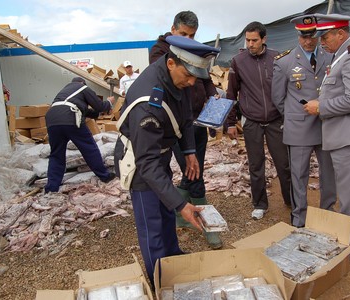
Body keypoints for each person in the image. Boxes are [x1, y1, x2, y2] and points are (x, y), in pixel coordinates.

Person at [116, 35, 220, 285]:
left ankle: (173, 257)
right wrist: (181, 205)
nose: (193, 82)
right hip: (141, 164)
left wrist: (189, 152)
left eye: (197, 76)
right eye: (189, 75)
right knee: (152, 225)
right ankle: (159, 280)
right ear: (171, 63)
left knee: (165, 214)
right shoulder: (148, 104)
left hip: (158, 153)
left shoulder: (178, 78)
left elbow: (184, 117)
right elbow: (147, 164)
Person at [303, 13, 350, 262]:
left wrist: (321, 107)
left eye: (325, 36)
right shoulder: (341, 57)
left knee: (349, 198)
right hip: (347, 135)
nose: (321, 41)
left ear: (341, 34)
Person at [149, 10, 222, 249]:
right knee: (194, 172)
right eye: (183, 34)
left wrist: (214, 99)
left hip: (198, 120)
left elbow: (206, 78)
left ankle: (181, 213)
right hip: (177, 123)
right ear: (173, 29)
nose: (188, 40)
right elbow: (170, 84)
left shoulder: (195, 49)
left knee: (193, 167)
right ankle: (207, 221)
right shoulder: (161, 51)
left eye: (192, 36)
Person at [272, 15, 336, 228]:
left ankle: (328, 213)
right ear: (297, 35)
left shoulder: (331, 58)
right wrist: (293, 116)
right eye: (304, 36)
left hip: (326, 125)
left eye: (312, 35)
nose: (308, 40)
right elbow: (278, 98)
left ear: (317, 35)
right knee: (299, 175)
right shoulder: (285, 62)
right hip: (299, 128)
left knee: (328, 173)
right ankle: (299, 217)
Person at [226, 21, 292, 220]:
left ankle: (291, 200)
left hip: (275, 119)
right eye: (247, 40)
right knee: (256, 165)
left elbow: (289, 88)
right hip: (252, 121)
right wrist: (230, 122)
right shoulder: (238, 61)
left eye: (254, 40)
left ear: (264, 39)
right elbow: (231, 93)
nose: (250, 44)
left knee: (284, 163)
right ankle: (260, 204)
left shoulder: (278, 58)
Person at [45, 77, 116, 193]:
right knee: (89, 148)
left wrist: (102, 112)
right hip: (70, 117)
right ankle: (104, 176)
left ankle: (51, 188)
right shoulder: (83, 87)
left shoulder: (65, 92)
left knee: (56, 155)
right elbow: (99, 106)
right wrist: (108, 103)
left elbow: (87, 111)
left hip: (52, 120)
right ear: (83, 83)